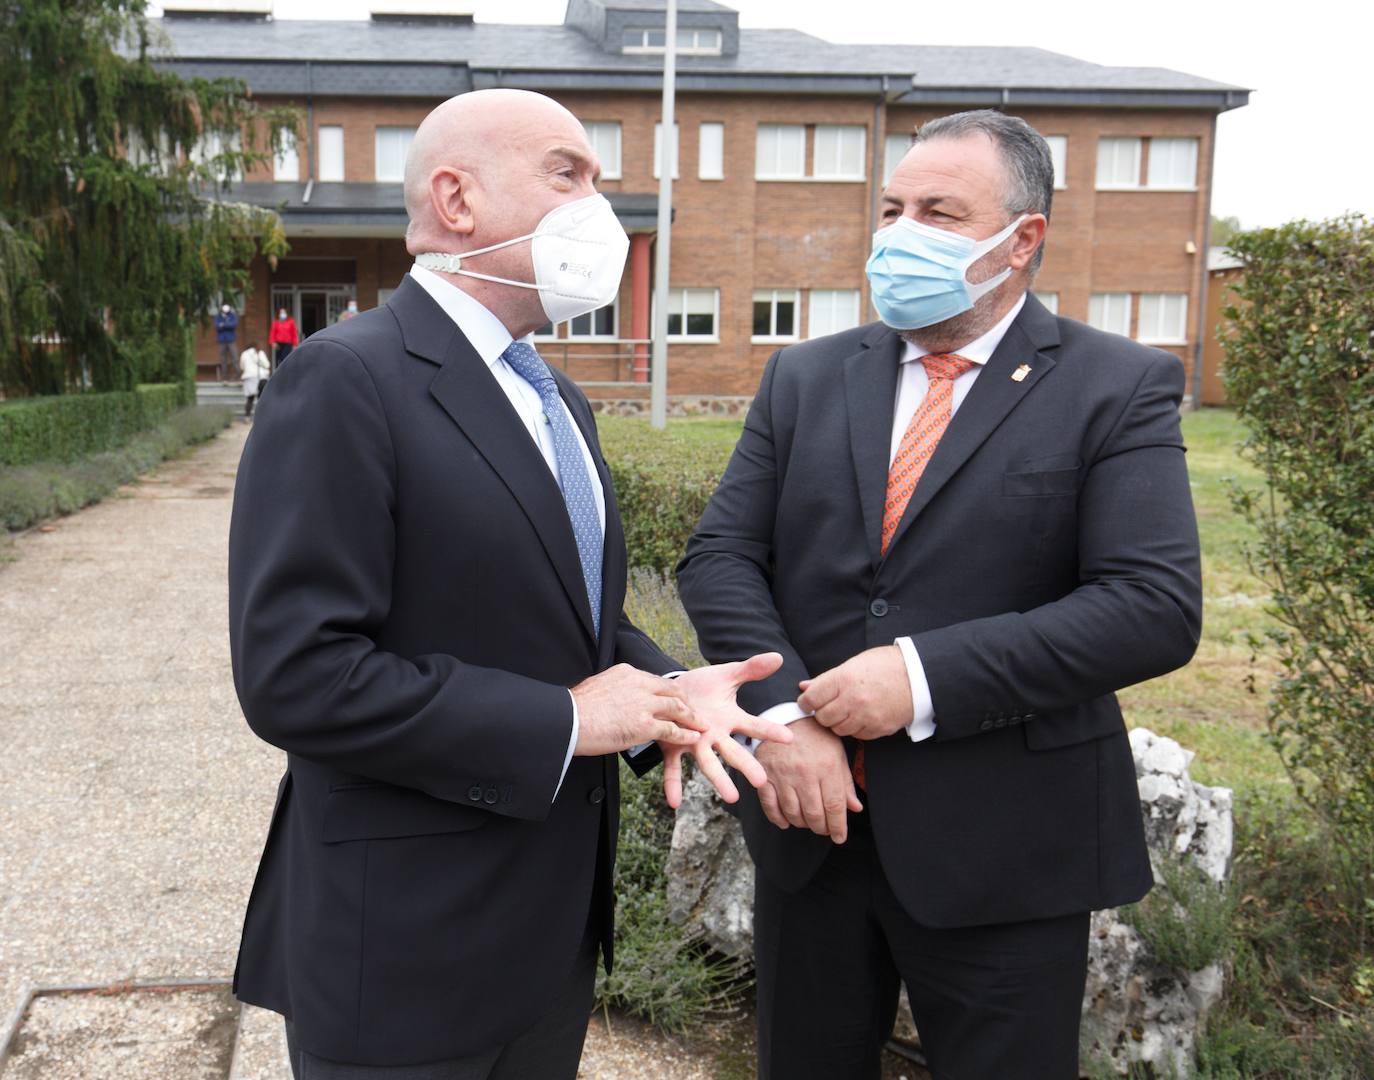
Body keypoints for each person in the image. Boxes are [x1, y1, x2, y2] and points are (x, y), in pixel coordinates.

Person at [228, 88, 789, 1080]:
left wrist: (664, 692)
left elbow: (563, 612)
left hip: (547, 946)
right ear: (456, 198)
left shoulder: (551, 389)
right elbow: (297, 677)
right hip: (404, 954)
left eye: (597, 181)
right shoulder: (344, 380)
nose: (595, 207)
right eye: (566, 173)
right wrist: (566, 720)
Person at [677, 109, 1203, 1080]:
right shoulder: (805, 375)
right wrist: (788, 717)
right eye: (890, 208)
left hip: (1005, 848)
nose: (898, 232)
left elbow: (1152, 605)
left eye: (937, 212)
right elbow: (718, 558)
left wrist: (919, 679)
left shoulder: (1114, 386)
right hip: (811, 831)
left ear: (1023, 240)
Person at [238, 340, 270, 418]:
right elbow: (267, 365)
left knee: (250, 398)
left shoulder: (244, 354)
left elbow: (242, 366)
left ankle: (247, 417)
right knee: (261, 399)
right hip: (260, 377)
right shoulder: (260, 353)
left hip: (248, 377)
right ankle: (262, 417)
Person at [215, 302, 238, 381]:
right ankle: (225, 377)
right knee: (223, 359)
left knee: (234, 357)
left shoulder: (232, 315)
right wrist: (227, 324)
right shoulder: (218, 316)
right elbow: (217, 326)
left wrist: (223, 325)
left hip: (231, 339)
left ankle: (237, 374)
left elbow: (233, 325)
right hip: (222, 340)